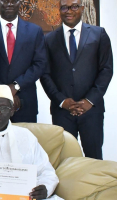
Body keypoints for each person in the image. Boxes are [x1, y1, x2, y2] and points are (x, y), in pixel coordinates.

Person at [40, 0, 113, 159]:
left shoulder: (98, 34)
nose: (69, 11)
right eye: (64, 7)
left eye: (74, 6)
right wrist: (62, 101)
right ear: (59, 10)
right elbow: (45, 74)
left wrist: (89, 101)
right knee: (65, 160)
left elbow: (106, 70)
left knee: (94, 159)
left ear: (82, 8)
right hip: (62, 112)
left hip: (92, 111)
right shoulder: (49, 39)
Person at [0, 0, 46, 122]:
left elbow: (40, 64)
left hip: (25, 101)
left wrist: (16, 86)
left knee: (24, 140)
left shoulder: (34, 31)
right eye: (5, 1)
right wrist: (4, 91)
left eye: (13, 1)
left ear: (20, 3)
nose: (9, 4)